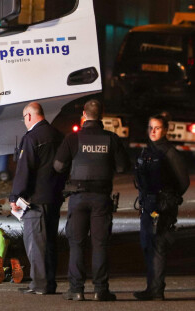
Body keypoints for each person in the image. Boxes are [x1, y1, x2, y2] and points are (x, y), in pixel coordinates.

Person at [54, 99, 127, 301]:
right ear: (101, 115)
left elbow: (58, 166)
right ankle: (100, 290)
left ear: (84, 115)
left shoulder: (72, 139)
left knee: (77, 244)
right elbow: (122, 167)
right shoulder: (111, 139)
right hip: (102, 199)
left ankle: (76, 290)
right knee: (100, 244)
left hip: (78, 198)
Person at [9, 102, 65, 295]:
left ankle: (39, 284)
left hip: (35, 200)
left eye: (24, 118)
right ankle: (49, 283)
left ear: (30, 116)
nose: (24, 121)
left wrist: (15, 196)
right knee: (50, 242)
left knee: (35, 243)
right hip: (54, 198)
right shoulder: (58, 135)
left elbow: (25, 170)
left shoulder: (32, 138)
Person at [133, 114, 190, 301]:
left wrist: (169, 198)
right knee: (148, 246)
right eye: (150, 127)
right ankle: (152, 287)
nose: (153, 131)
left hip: (163, 207)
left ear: (165, 130)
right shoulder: (147, 151)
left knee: (158, 247)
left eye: (157, 128)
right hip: (149, 205)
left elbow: (183, 181)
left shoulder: (170, 153)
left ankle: (156, 290)